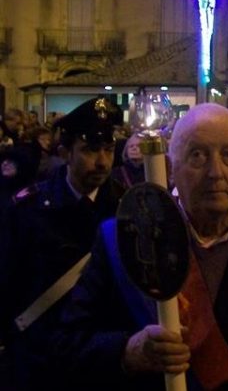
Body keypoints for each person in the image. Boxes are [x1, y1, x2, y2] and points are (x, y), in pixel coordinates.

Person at [47, 103, 228, 390]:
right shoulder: (124, 242)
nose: (215, 172)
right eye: (197, 155)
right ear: (171, 169)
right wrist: (128, 351)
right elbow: (66, 343)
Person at [0, 97, 125, 389]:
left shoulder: (124, 207)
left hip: (101, 360)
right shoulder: (27, 210)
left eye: (108, 149)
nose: (102, 161)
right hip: (41, 362)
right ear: (65, 152)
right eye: (90, 150)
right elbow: (7, 286)